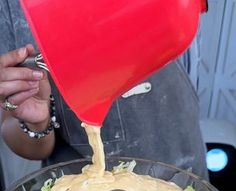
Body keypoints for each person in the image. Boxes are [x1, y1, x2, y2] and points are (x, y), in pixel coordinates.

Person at [0, 0, 208, 180]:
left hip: (179, 180)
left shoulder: (180, 14)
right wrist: (36, 122)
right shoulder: (13, 8)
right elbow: (21, 137)